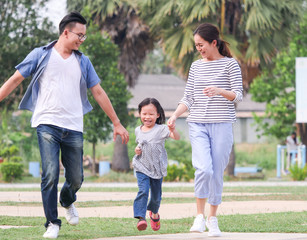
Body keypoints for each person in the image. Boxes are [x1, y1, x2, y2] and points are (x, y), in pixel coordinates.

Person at [0, 12, 129, 239]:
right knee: (49, 173)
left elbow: (98, 91)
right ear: (66, 32)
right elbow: (15, 79)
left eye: (84, 36)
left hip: (73, 126)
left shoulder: (83, 61)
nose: (82, 39)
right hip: (46, 123)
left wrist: (116, 123)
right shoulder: (41, 55)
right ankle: (52, 222)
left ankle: (67, 200)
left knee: (76, 178)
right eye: (79, 35)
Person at [167, 23, 243, 237]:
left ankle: (213, 218)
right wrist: (174, 115)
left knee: (217, 172)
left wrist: (219, 91)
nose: (199, 49)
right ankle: (199, 216)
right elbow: (189, 97)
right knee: (204, 169)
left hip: (222, 125)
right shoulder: (196, 66)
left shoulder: (230, 65)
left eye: (201, 45)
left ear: (214, 43)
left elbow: (238, 95)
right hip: (198, 123)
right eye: (196, 45)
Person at [132, 97, 180, 231]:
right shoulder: (138, 130)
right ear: (140, 114)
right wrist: (137, 150)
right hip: (141, 166)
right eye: (144, 114)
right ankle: (141, 218)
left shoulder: (161, 129)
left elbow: (176, 137)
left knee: (156, 196)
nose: (147, 117)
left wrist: (173, 129)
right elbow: (139, 146)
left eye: (151, 114)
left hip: (157, 168)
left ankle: (154, 213)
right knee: (143, 190)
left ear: (158, 115)